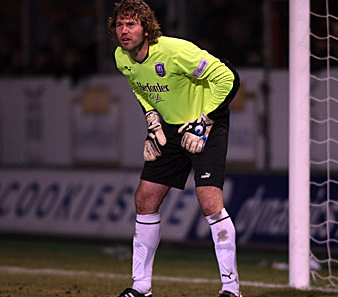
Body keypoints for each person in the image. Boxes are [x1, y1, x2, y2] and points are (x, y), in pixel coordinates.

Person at [107, 1, 241, 297]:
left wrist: (204, 120)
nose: (124, 31)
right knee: (145, 198)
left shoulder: (174, 51)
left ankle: (231, 289)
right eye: (119, 25)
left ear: (146, 27)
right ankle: (141, 288)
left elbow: (228, 79)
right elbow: (139, 86)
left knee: (209, 201)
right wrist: (151, 119)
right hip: (169, 127)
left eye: (131, 24)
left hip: (206, 122)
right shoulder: (122, 57)